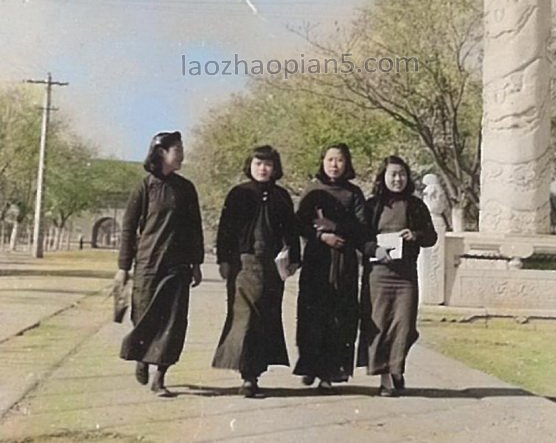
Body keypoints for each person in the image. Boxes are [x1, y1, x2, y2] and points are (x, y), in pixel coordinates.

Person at [115, 131, 204, 396]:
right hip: (148, 265)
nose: (182, 153)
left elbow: (195, 228)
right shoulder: (144, 187)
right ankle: (142, 357)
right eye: (177, 149)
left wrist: (196, 263)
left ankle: (160, 377)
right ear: (161, 152)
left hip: (177, 267)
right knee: (143, 316)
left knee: (174, 323)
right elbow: (129, 229)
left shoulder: (186, 189)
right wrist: (123, 267)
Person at [212, 145, 300, 398]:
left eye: (267, 164)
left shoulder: (281, 196)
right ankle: (246, 376)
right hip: (243, 265)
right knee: (245, 319)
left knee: (265, 320)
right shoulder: (238, 194)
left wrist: (294, 258)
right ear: (250, 166)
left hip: (272, 267)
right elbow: (225, 230)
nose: (262, 169)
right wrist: (223, 261)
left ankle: (255, 374)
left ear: (275, 168)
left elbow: (291, 232)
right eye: (258, 163)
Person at [358, 155, 437, 396]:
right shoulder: (372, 206)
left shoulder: (416, 206)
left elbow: (431, 237)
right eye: (392, 174)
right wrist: (375, 250)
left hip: (405, 277)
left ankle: (396, 367)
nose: (397, 179)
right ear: (383, 177)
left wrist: (415, 235)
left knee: (405, 326)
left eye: (401, 174)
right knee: (380, 325)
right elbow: (361, 238)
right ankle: (386, 378)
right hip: (378, 275)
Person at [294, 142, 368, 391]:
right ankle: (309, 366)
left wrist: (335, 227)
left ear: (346, 163)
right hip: (317, 260)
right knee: (312, 315)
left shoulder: (354, 194)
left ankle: (329, 372)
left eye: (339, 160)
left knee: (339, 317)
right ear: (322, 162)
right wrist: (320, 236)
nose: (334, 165)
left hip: (343, 261)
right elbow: (300, 225)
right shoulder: (312, 191)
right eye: (329, 160)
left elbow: (361, 227)